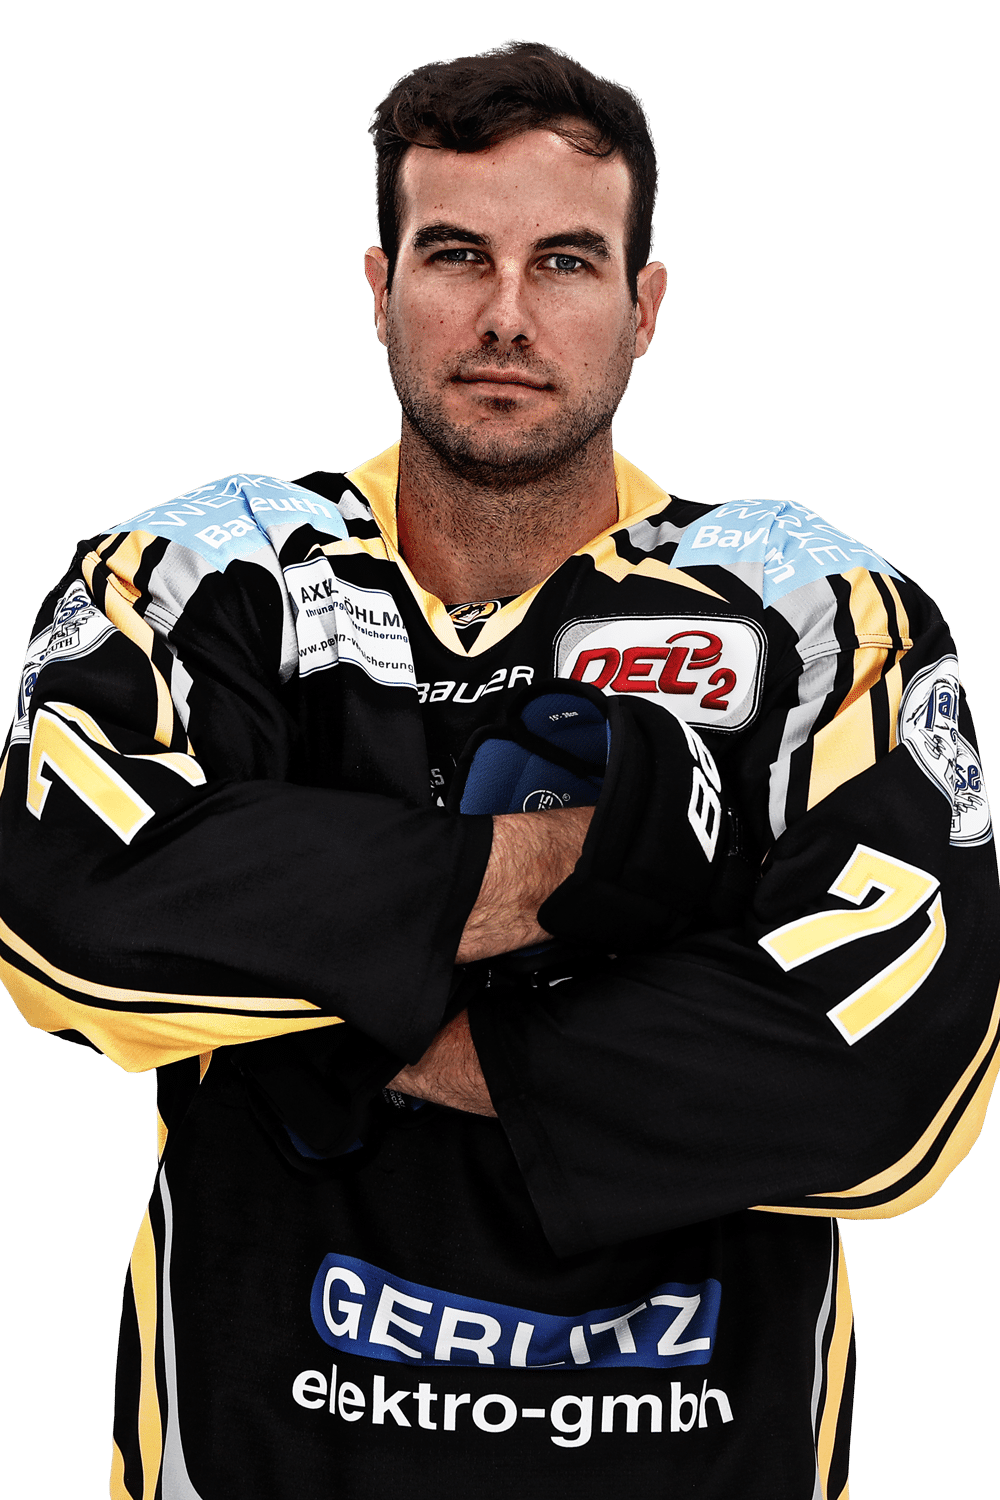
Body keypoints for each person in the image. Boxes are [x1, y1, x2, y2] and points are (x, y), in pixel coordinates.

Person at [1, 38, 997, 1500]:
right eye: (456, 253)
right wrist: (577, 868)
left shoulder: (810, 608)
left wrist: (349, 1008)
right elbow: (68, 917)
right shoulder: (207, 572)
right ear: (380, 288)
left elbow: (891, 1091)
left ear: (644, 308)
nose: (507, 315)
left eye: (568, 263)